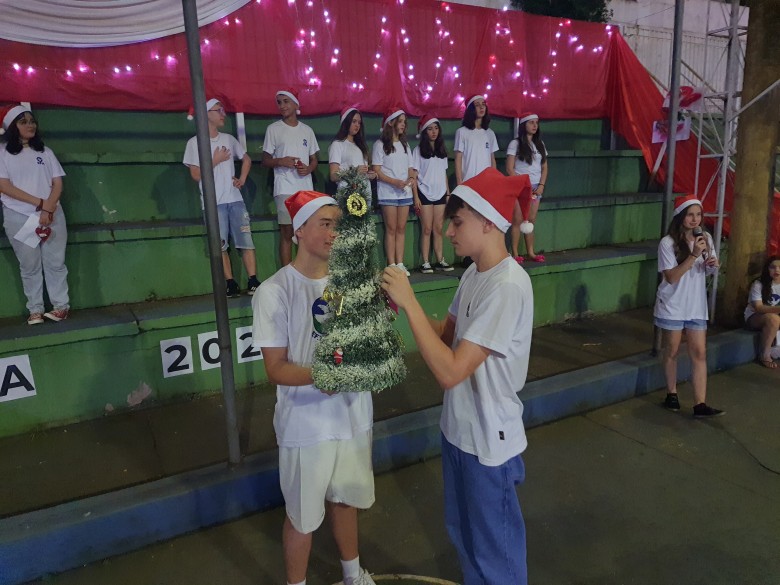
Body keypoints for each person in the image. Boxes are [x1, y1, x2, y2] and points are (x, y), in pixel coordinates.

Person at [381, 168, 534, 585]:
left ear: (488, 223)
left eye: (458, 221)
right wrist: (401, 307)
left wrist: (410, 303)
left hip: (488, 441)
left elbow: (450, 371)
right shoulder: (473, 273)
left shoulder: (507, 286)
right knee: (466, 538)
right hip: (459, 431)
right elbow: (447, 335)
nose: (448, 231)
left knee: (496, 553)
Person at [252, 190, 376, 585]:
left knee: (346, 500)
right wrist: (322, 376)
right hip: (307, 424)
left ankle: (353, 576)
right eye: (325, 224)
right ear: (299, 231)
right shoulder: (274, 291)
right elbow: (275, 368)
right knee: (302, 518)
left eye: (338, 224)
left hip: (351, 414)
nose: (334, 232)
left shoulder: (348, 283)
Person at [654, 194, 724, 417]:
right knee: (672, 350)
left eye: (698, 214)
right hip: (673, 304)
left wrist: (712, 264)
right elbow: (672, 277)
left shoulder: (706, 238)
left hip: (695, 304)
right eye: (690, 215)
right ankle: (671, 393)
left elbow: (707, 271)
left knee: (699, 352)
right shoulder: (667, 243)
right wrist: (693, 255)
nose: (695, 219)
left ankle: (700, 404)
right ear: (680, 217)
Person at [0, 104, 70, 325]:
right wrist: (39, 204)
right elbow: (4, 186)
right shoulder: (2, 153)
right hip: (19, 216)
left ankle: (61, 307)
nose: (30, 125)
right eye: (23, 122)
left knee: (55, 262)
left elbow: (57, 183)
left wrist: (48, 208)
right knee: (30, 266)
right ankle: (36, 310)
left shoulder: (45, 152)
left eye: (32, 121)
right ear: (13, 127)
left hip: (52, 214)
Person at [183, 98, 260, 297]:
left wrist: (242, 179)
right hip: (213, 202)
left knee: (245, 240)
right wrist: (214, 161)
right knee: (220, 244)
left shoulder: (228, 139)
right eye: (219, 111)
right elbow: (196, 174)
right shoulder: (194, 143)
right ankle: (230, 282)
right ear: (207, 114)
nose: (223, 114)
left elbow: (246, 159)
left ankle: (253, 280)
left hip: (235, 199)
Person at [262, 89, 320, 267]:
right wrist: (281, 161)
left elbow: (314, 159)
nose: (282, 106)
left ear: (296, 104)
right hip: (284, 188)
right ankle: (287, 274)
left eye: (286, 101)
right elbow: (265, 160)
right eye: (279, 102)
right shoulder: (273, 129)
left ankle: (305, 270)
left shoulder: (307, 131)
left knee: (306, 232)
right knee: (287, 232)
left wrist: (308, 169)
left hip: (305, 190)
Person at [372, 107, 414, 276]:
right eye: (400, 121)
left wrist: (411, 179)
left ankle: (400, 263)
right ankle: (391, 264)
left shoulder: (405, 145)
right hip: (388, 193)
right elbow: (377, 171)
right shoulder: (380, 145)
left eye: (404, 122)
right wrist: (394, 182)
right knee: (391, 228)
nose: (403, 124)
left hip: (404, 192)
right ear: (391, 123)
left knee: (401, 228)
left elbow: (410, 168)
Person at [411, 114, 454, 274]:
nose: (434, 132)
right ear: (424, 132)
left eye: (436, 128)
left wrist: (448, 194)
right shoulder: (418, 151)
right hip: (424, 193)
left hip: (441, 193)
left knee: (438, 228)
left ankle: (440, 260)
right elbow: (414, 176)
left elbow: (444, 174)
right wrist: (416, 197)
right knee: (427, 228)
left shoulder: (442, 150)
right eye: (430, 129)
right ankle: (425, 262)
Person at [506, 112, 548, 263]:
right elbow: (509, 168)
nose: (535, 125)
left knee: (530, 220)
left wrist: (541, 185)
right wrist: (522, 186)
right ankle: (515, 253)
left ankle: (531, 252)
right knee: (518, 219)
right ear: (524, 125)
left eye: (537, 122)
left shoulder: (540, 144)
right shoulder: (515, 144)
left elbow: (544, 167)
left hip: (536, 187)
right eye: (531, 123)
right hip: (521, 186)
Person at [453, 95, 498, 185]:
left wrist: (494, 179)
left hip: (487, 181)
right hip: (468, 181)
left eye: (483, 104)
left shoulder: (490, 133)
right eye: (477, 105)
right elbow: (458, 158)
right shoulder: (462, 132)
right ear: (471, 109)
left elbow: (492, 158)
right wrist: (459, 181)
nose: (481, 107)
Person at [744, 255, 780, 368]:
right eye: (773, 267)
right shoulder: (758, 284)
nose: (777, 270)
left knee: (775, 318)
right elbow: (758, 308)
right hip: (755, 317)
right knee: (773, 319)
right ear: (767, 269)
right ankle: (765, 355)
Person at [328, 106, 376, 185]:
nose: (357, 125)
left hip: (365, 190)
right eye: (354, 121)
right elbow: (333, 176)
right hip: (347, 191)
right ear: (346, 122)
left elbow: (363, 172)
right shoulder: (337, 144)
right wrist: (354, 171)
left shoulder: (361, 145)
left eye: (359, 122)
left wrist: (370, 175)